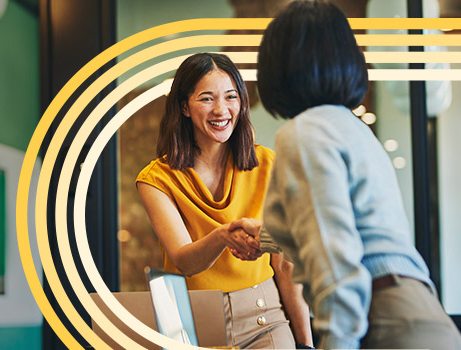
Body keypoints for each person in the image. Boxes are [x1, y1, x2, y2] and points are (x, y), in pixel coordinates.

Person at [250, 1, 461, 349]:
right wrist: (263, 238)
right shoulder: (352, 128)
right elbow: (355, 227)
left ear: (279, 67)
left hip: (383, 320)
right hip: (416, 312)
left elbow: (334, 261)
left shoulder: (304, 133)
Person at [136, 52, 312, 349]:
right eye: (206, 99)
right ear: (184, 107)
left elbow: (285, 266)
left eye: (231, 97)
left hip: (265, 319)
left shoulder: (268, 164)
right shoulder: (156, 179)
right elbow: (184, 261)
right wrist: (223, 236)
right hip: (192, 325)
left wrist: (306, 344)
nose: (221, 110)